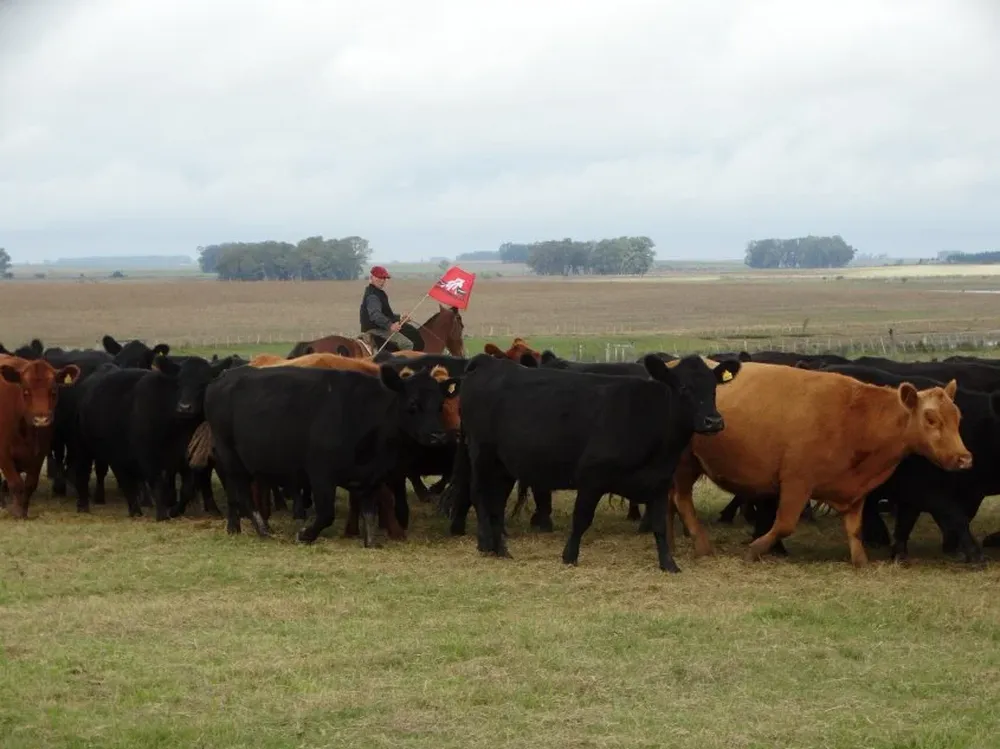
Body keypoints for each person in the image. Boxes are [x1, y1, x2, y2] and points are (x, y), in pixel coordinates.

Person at [359, 266, 421, 351]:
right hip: (375, 329)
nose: (382, 281)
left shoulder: (377, 292)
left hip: (378, 326)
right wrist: (390, 325)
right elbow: (375, 315)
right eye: (379, 277)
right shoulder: (373, 296)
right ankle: (402, 364)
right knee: (407, 344)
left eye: (384, 278)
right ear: (371, 277)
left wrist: (400, 317)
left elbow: (384, 314)